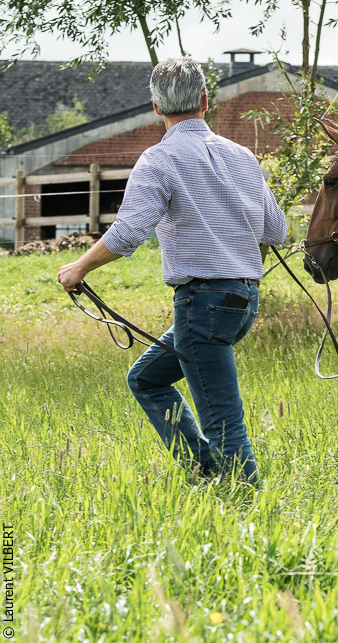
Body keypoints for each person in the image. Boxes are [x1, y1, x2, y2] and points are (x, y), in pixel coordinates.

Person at [57, 57, 287, 484]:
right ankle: (205, 472)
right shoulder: (241, 156)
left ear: (156, 107)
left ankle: (247, 503)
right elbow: (277, 229)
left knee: (222, 418)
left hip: (203, 305)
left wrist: (79, 268)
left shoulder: (158, 159)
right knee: (146, 379)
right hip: (243, 301)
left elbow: (128, 234)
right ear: (205, 99)